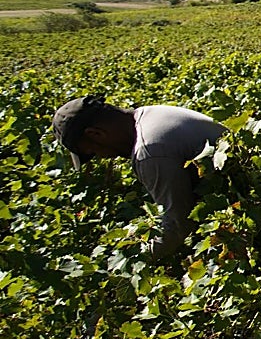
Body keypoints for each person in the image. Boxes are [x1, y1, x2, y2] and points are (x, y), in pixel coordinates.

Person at [51, 95, 228, 262]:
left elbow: (178, 224)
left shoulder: (149, 151)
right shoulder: (150, 114)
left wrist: (131, 262)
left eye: (92, 152)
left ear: (96, 134)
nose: (103, 157)